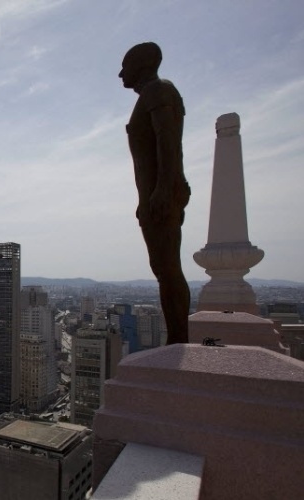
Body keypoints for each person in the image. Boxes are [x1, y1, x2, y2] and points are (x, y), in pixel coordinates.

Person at [120, 42, 191, 344]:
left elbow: (168, 141)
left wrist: (163, 189)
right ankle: (177, 337)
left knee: (167, 267)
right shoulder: (156, 93)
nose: (121, 73)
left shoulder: (157, 91)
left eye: (126, 65)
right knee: (164, 267)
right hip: (155, 196)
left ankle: (178, 338)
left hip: (160, 196)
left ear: (143, 66)